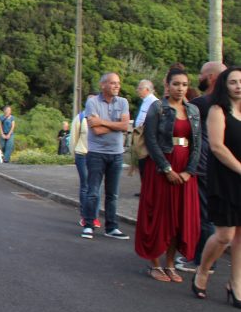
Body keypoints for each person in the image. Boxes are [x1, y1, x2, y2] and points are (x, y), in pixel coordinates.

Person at [136, 67, 202, 283]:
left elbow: (197, 143)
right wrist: (167, 169)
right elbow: (152, 141)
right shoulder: (158, 108)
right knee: (159, 216)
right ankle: (155, 264)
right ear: (167, 86)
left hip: (185, 171)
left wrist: (189, 172)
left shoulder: (193, 110)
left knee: (179, 218)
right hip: (161, 169)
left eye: (184, 84)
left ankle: (171, 264)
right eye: (176, 84)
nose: (180, 88)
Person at [192, 67, 241, 306]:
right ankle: (203, 269)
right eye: (233, 82)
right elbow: (217, 146)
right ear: (224, 85)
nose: (238, 86)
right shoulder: (217, 110)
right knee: (225, 235)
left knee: (240, 236)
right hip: (225, 179)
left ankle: (236, 284)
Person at [176, 60, 228, 273]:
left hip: (203, 165)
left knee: (203, 215)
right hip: (225, 166)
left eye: (202, 74)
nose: (199, 78)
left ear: (212, 78)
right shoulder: (231, 105)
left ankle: (201, 261)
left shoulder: (202, 104)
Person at [81, 72, 131, 240]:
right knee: (93, 191)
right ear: (103, 85)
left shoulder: (123, 102)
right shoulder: (92, 102)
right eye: (112, 83)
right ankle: (89, 224)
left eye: (118, 83)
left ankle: (112, 227)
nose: (117, 86)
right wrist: (117, 125)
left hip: (116, 154)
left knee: (113, 194)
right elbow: (96, 130)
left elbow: (125, 126)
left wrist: (103, 122)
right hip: (96, 153)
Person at [73, 95, 100, 228]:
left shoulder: (100, 117)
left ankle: (94, 216)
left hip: (97, 156)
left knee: (96, 187)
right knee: (86, 186)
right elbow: (74, 138)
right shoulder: (80, 118)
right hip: (82, 155)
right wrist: (74, 154)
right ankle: (84, 216)